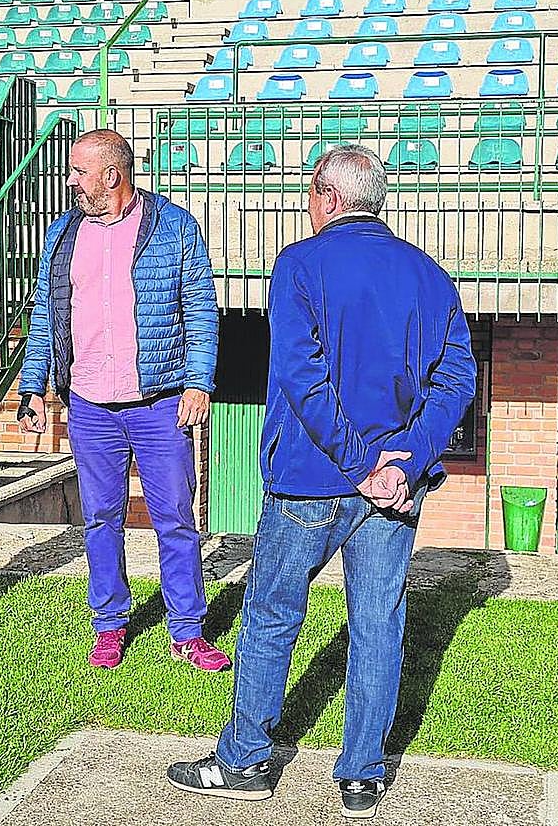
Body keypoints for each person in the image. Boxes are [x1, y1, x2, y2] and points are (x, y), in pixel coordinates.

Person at [167, 145, 476, 819]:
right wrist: (404, 458)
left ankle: (244, 759)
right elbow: (458, 381)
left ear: (328, 197)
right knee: (377, 624)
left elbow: (304, 379)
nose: (309, 206)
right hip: (395, 484)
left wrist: (363, 462)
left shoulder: (300, 264)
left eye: (311, 195)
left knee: (273, 616)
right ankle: (362, 776)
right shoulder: (429, 275)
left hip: (311, 477)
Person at [17, 129, 229, 673]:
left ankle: (187, 630)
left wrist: (199, 383)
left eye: (79, 172)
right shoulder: (63, 233)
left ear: (112, 175)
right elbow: (45, 314)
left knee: (175, 519)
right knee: (99, 517)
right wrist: (33, 387)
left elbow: (202, 310)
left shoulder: (175, 226)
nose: (70, 181)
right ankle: (110, 624)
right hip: (89, 403)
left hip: (160, 402)